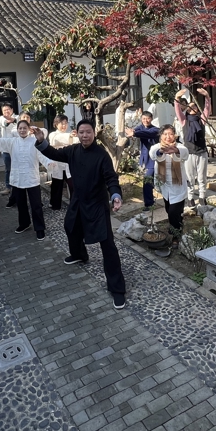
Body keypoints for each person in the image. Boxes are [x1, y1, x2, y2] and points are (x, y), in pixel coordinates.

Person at [32, 120, 128, 310]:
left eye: (88, 132)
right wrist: (42, 141)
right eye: (82, 132)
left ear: (94, 133)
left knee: (107, 244)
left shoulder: (101, 155)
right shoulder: (73, 150)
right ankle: (79, 254)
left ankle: (117, 289)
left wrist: (116, 195)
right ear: (77, 133)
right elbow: (54, 154)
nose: (85, 136)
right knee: (70, 226)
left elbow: (111, 178)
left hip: (97, 203)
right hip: (78, 199)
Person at [0, 120, 52, 240]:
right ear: (17, 130)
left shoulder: (34, 141)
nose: (22, 130)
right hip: (18, 178)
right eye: (20, 128)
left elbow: (41, 155)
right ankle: (24, 223)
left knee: (36, 205)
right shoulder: (12, 141)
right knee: (21, 204)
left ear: (29, 129)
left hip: (31, 177)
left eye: (24, 128)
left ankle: (39, 228)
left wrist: (49, 163)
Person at [149, 125, 189, 238]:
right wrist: (160, 151)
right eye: (165, 134)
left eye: (171, 134)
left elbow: (185, 153)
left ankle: (176, 235)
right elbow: (153, 154)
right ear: (161, 135)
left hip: (178, 186)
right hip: (165, 185)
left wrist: (176, 151)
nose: (168, 137)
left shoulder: (180, 146)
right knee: (169, 210)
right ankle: (178, 224)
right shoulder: (156, 147)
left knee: (173, 212)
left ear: (175, 135)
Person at [174, 88, 211, 207]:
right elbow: (177, 110)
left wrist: (207, 97)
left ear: (197, 108)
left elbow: (207, 109)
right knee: (190, 177)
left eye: (194, 106)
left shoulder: (202, 119)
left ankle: (202, 197)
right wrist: (177, 98)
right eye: (189, 107)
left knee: (202, 177)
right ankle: (190, 198)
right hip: (189, 152)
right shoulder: (184, 120)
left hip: (201, 152)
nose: (192, 108)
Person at [125, 111, 160, 208]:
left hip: (154, 159)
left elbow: (147, 133)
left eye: (148, 118)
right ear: (141, 119)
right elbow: (135, 130)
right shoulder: (140, 128)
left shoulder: (155, 130)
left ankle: (149, 204)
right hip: (145, 159)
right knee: (150, 181)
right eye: (144, 118)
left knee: (147, 181)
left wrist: (134, 133)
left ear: (151, 119)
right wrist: (130, 131)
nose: (146, 120)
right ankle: (150, 203)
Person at [48, 115, 78, 210]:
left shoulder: (70, 134)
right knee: (56, 185)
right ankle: (55, 204)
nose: (64, 125)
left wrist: (74, 136)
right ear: (56, 124)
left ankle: (74, 204)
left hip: (68, 164)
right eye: (62, 123)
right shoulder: (53, 135)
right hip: (57, 164)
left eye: (66, 123)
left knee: (72, 185)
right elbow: (55, 141)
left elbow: (76, 142)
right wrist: (70, 137)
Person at [0, 104, 19, 205]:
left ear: (12, 109)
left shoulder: (18, 117)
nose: (6, 112)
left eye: (8, 109)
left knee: (17, 168)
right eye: (4, 110)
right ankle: (8, 187)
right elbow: (4, 123)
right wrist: (9, 120)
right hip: (6, 149)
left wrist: (13, 120)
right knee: (8, 168)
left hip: (16, 148)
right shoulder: (1, 118)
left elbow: (19, 122)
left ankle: (17, 186)